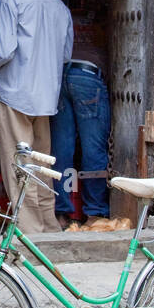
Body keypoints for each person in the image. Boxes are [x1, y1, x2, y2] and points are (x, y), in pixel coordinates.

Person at [0, 0, 73, 235]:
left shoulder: (11, 0)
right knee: (40, 165)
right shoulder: (58, 5)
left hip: (16, 94)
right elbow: (65, 55)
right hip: (46, 98)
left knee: (20, 165)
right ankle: (48, 225)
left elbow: (3, 50)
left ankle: (30, 232)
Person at [51, 53, 113, 231]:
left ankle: (61, 214)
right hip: (88, 74)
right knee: (93, 147)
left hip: (61, 75)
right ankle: (94, 214)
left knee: (61, 149)